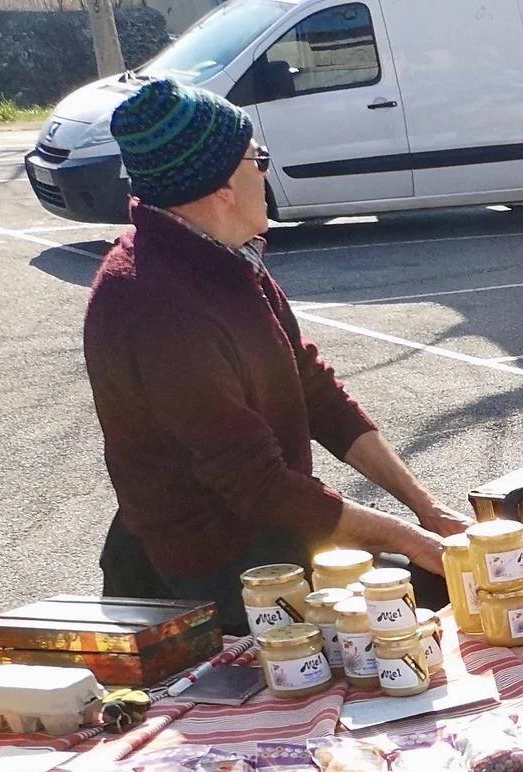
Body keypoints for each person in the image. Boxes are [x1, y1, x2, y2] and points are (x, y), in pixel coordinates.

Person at [84, 79, 463, 635]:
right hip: (218, 562)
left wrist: (425, 507)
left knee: (434, 583)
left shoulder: (228, 257)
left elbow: (313, 388)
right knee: (399, 618)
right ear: (221, 187)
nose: (265, 169)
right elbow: (254, 482)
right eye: (256, 158)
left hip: (273, 526)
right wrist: (411, 540)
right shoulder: (155, 305)